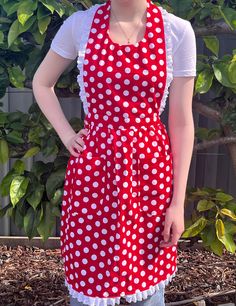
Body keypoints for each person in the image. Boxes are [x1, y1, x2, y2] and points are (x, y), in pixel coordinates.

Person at [32, 0, 197, 305]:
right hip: (93, 176)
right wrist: (67, 135)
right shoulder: (80, 25)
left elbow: (182, 122)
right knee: (89, 278)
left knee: (148, 283)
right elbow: (42, 83)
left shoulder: (177, 31)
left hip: (151, 176)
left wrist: (178, 203)